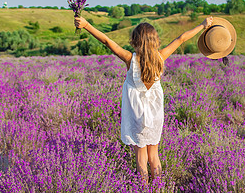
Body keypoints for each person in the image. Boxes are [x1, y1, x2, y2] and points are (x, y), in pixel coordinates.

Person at [74, 16, 213, 184]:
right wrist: (202, 25)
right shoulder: (161, 57)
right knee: (154, 156)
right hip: (155, 116)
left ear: (135, 40)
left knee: (141, 158)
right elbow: (181, 38)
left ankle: (144, 188)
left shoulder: (130, 59)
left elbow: (106, 41)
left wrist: (86, 24)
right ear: (155, 40)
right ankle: (158, 187)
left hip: (136, 115)